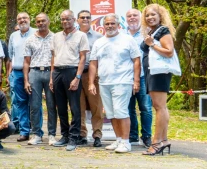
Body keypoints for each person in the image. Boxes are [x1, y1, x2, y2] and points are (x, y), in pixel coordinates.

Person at [88, 14, 141, 154]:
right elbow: (93, 63)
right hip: (104, 82)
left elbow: (136, 60)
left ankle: (126, 142)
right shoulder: (99, 42)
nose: (110, 26)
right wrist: (91, 83)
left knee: (121, 111)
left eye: (112, 23)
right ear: (103, 26)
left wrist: (136, 80)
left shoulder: (127, 39)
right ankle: (118, 139)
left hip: (122, 81)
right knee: (111, 113)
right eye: (107, 24)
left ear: (119, 25)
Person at [50, 10, 89, 151]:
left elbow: (83, 58)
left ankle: (74, 137)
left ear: (74, 20)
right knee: (60, 106)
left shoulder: (81, 36)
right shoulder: (56, 36)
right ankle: (65, 135)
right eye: (62, 19)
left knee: (74, 107)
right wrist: (51, 77)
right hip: (57, 72)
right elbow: (53, 57)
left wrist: (77, 77)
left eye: (68, 19)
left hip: (72, 71)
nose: (65, 22)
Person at [140, 4, 176, 156]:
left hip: (159, 72)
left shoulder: (163, 30)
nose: (150, 17)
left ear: (160, 16)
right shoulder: (153, 31)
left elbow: (169, 52)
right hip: (152, 71)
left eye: (153, 14)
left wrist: (152, 44)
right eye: (147, 15)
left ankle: (156, 143)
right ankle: (164, 140)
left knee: (159, 107)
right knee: (160, 107)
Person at [23, 13, 56, 145]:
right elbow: (26, 61)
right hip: (35, 72)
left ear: (48, 21)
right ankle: (36, 134)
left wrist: (53, 76)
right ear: (35, 23)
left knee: (51, 105)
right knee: (35, 105)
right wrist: (26, 80)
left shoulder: (55, 37)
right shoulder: (30, 39)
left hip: (50, 72)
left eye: (43, 21)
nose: (41, 23)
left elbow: (56, 57)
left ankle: (52, 134)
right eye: (38, 21)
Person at [125, 8, 153, 148]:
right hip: (125, 77)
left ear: (140, 17)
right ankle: (132, 135)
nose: (132, 18)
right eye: (129, 16)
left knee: (145, 108)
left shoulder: (147, 33)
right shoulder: (121, 34)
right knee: (129, 109)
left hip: (143, 76)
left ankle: (147, 136)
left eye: (135, 15)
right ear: (126, 19)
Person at [76, 10, 104, 147]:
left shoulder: (98, 37)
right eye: (82, 17)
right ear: (77, 20)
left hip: (92, 74)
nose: (85, 19)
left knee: (96, 106)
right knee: (78, 107)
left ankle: (97, 135)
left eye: (88, 17)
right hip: (76, 75)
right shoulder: (73, 36)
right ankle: (82, 134)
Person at [7, 12, 36, 138]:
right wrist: (9, 74)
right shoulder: (13, 36)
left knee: (35, 103)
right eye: (19, 19)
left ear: (29, 19)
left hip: (34, 72)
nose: (22, 20)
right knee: (20, 102)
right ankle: (24, 131)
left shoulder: (36, 33)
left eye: (24, 18)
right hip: (17, 73)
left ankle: (36, 131)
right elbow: (10, 55)